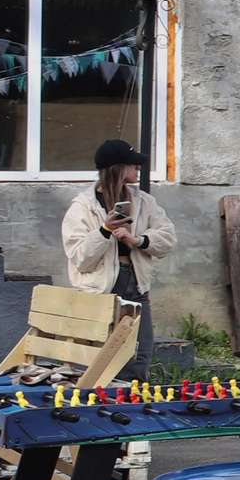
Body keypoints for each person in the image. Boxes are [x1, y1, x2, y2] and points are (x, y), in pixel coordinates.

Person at [61, 138, 175, 358]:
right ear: (118, 168)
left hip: (136, 283)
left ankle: (134, 392)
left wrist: (137, 241)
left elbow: (168, 239)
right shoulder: (83, 207)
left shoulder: (144, 201)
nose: (138, 168)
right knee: (101, 354)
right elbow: (80, 259)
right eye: (133, 164)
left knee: (141, 351)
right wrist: (104, 230)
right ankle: (102, 393)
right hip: (101, 289)